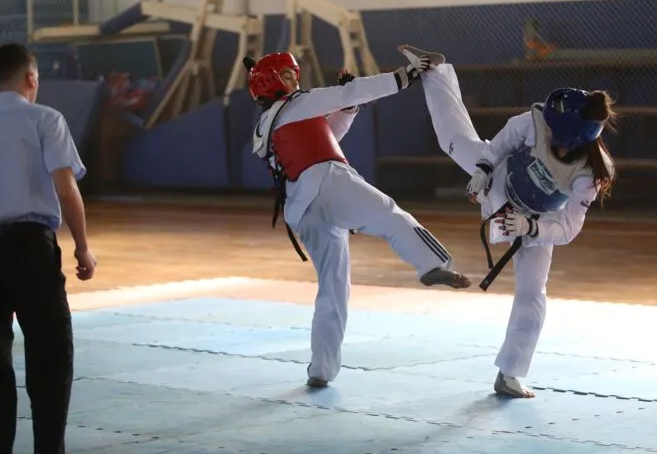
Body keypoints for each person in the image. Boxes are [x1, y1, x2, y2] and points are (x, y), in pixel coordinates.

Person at [398, 45, 616, 399]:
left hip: (535, 222)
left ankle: (511, 374)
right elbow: (500, 144)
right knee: (453, 140)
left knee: (532, 295)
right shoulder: (536, 119)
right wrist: (483, 169)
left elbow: (569, 227)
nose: (546, 122)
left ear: (571, 136)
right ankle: (436, 71)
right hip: (499, 179)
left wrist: (531, 229)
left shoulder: (591, 172)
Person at [245, 51, 471, 388]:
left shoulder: (267, 124)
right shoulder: (300, 103)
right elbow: (352, 93)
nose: (296, 81)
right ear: (272, 82)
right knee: (390, 214)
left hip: (301, 208)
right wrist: (404, 76)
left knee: (333, 288)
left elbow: (326, 137)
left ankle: (321, 369)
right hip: (328, 180)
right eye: (288, 76)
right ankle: (433, 264)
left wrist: (347, 110)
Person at [0, 43, 95, 454]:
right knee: (51, 358)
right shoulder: (44, 119)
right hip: (29, 250)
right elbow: (65, 187)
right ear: (31, 79)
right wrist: (82, 247)